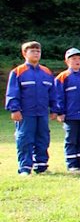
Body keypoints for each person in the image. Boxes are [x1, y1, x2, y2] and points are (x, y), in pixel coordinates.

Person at [6, 41, 58, 175]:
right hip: (25, 113)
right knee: (25, 139)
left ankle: (41, 166)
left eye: (38, 51)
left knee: (43, 138)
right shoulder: (18, 72)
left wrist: (54, 109)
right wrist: (14, 109)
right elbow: (13, 92)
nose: (36, 53)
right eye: (32, 51)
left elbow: (53, 92)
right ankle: (25, 167)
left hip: (42, 112)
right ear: (24, 53)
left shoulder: (46, 72)